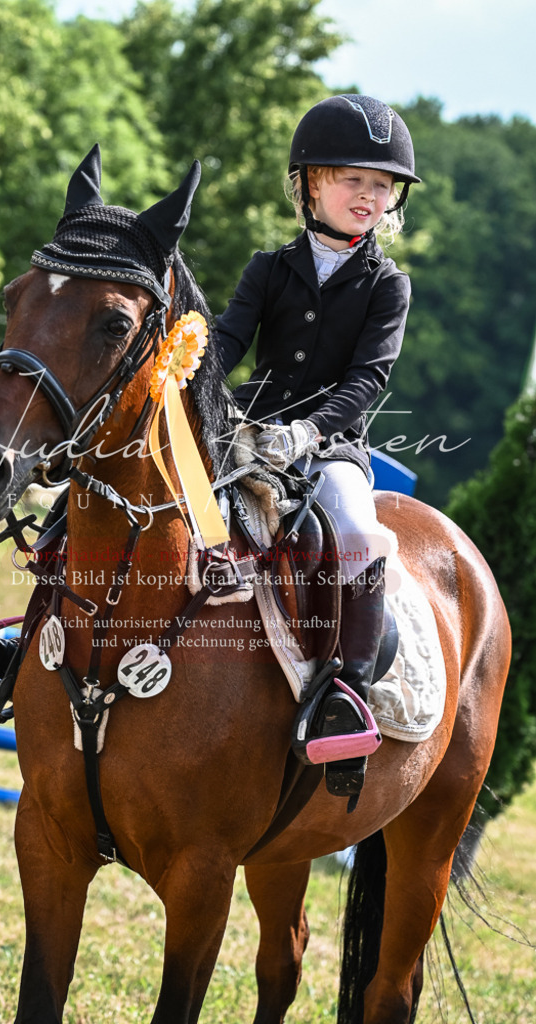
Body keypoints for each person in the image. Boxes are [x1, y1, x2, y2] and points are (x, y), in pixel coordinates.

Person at [215, 94, 420, 798]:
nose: (369, 196)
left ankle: (347, 696)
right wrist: (191, 386)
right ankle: (32, 629)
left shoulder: (388, 286)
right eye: (352, 179)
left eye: (381, 185)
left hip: (330, 446)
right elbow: (227, 342)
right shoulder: (267, 268)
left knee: (358, 534)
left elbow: (368, 378)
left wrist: (309, 431)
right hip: (248, 429)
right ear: (308, 184)